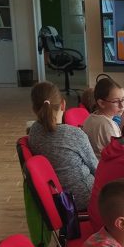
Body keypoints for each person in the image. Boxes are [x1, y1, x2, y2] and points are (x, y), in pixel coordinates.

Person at [27, 81, 98, 211]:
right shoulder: (75, 134)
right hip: (84, 197)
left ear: (34, 109)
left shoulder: (33, 131)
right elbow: (96, 169)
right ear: (63, 104)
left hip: (57, 197)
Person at [82, 76, 124, 158]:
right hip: (105, 164)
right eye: (116, 101)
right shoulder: (108, 125)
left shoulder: (90, 117)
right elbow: (119, 155)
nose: (122, 105)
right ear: (101, 103)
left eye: (123, 99)